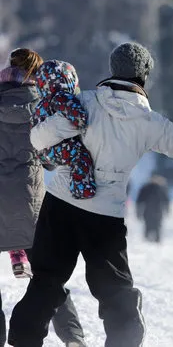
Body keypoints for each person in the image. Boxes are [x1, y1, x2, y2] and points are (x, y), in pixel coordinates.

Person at [8, 42, 173, 347]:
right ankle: (123, 339)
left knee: (46, 280)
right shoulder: (150, 123)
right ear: (144, 76)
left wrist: (64, 132)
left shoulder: (83, 102)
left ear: (113, 69)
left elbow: (38, 138)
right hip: (105, 216)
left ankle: (23, 340)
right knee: (113, 289)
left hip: (60, 205)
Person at [0, 48, 86, 347]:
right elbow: (51, 160)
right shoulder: (41, 107)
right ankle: (74, 338)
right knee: (48, 278)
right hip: (30, 203)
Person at [31, 60, 96, 199]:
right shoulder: (61, 97)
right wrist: (81, 119)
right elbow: (76, 114)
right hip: (57, 147)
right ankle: (81, 188)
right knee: (80, 155)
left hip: (43, 153)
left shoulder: (40, 103)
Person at [136, 174, 171, 243]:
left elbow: (166, 200)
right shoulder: (146, 188)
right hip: (148, 211)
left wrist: (167, 209)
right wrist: (138, 212)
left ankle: (157, 242)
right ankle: (146, 242)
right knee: (148, 226)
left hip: (157, 211)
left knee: (157, 226)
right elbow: (139, 201)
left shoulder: (161, 188)